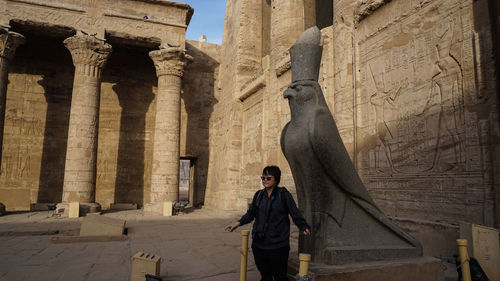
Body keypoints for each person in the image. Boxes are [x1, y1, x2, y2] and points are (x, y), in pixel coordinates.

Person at [225, 165, 311, 281]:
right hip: (259, 245)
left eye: (268, 178)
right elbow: (251, 214)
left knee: (280, 277)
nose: (265, 181)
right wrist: (237, 223)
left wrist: (303, 226)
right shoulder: (259, 195)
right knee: (265, 276)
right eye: (263, 178)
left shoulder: (283, 194)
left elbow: (294, 212)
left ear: (276, 179)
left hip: (278, 245)